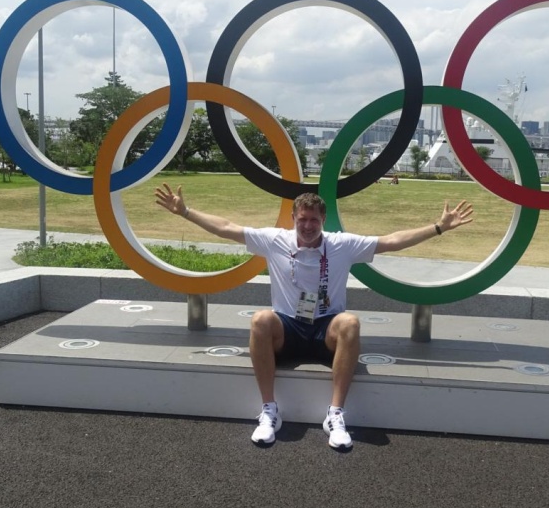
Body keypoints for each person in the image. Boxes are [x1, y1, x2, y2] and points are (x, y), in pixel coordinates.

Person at [154, 183, 474, 450]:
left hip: (325, 330)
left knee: (350, 322)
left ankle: (335, 415)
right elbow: (227, 229)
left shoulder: (342, 245)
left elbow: (390, 241)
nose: (308, 226)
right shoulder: (274, 240)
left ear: (324, 219)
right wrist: (185, 211)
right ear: (293, 218)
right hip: (288, 328)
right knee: (260, 319)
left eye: (314, 220)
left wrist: (438, 228)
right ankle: (269, 412)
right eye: (302, 220)